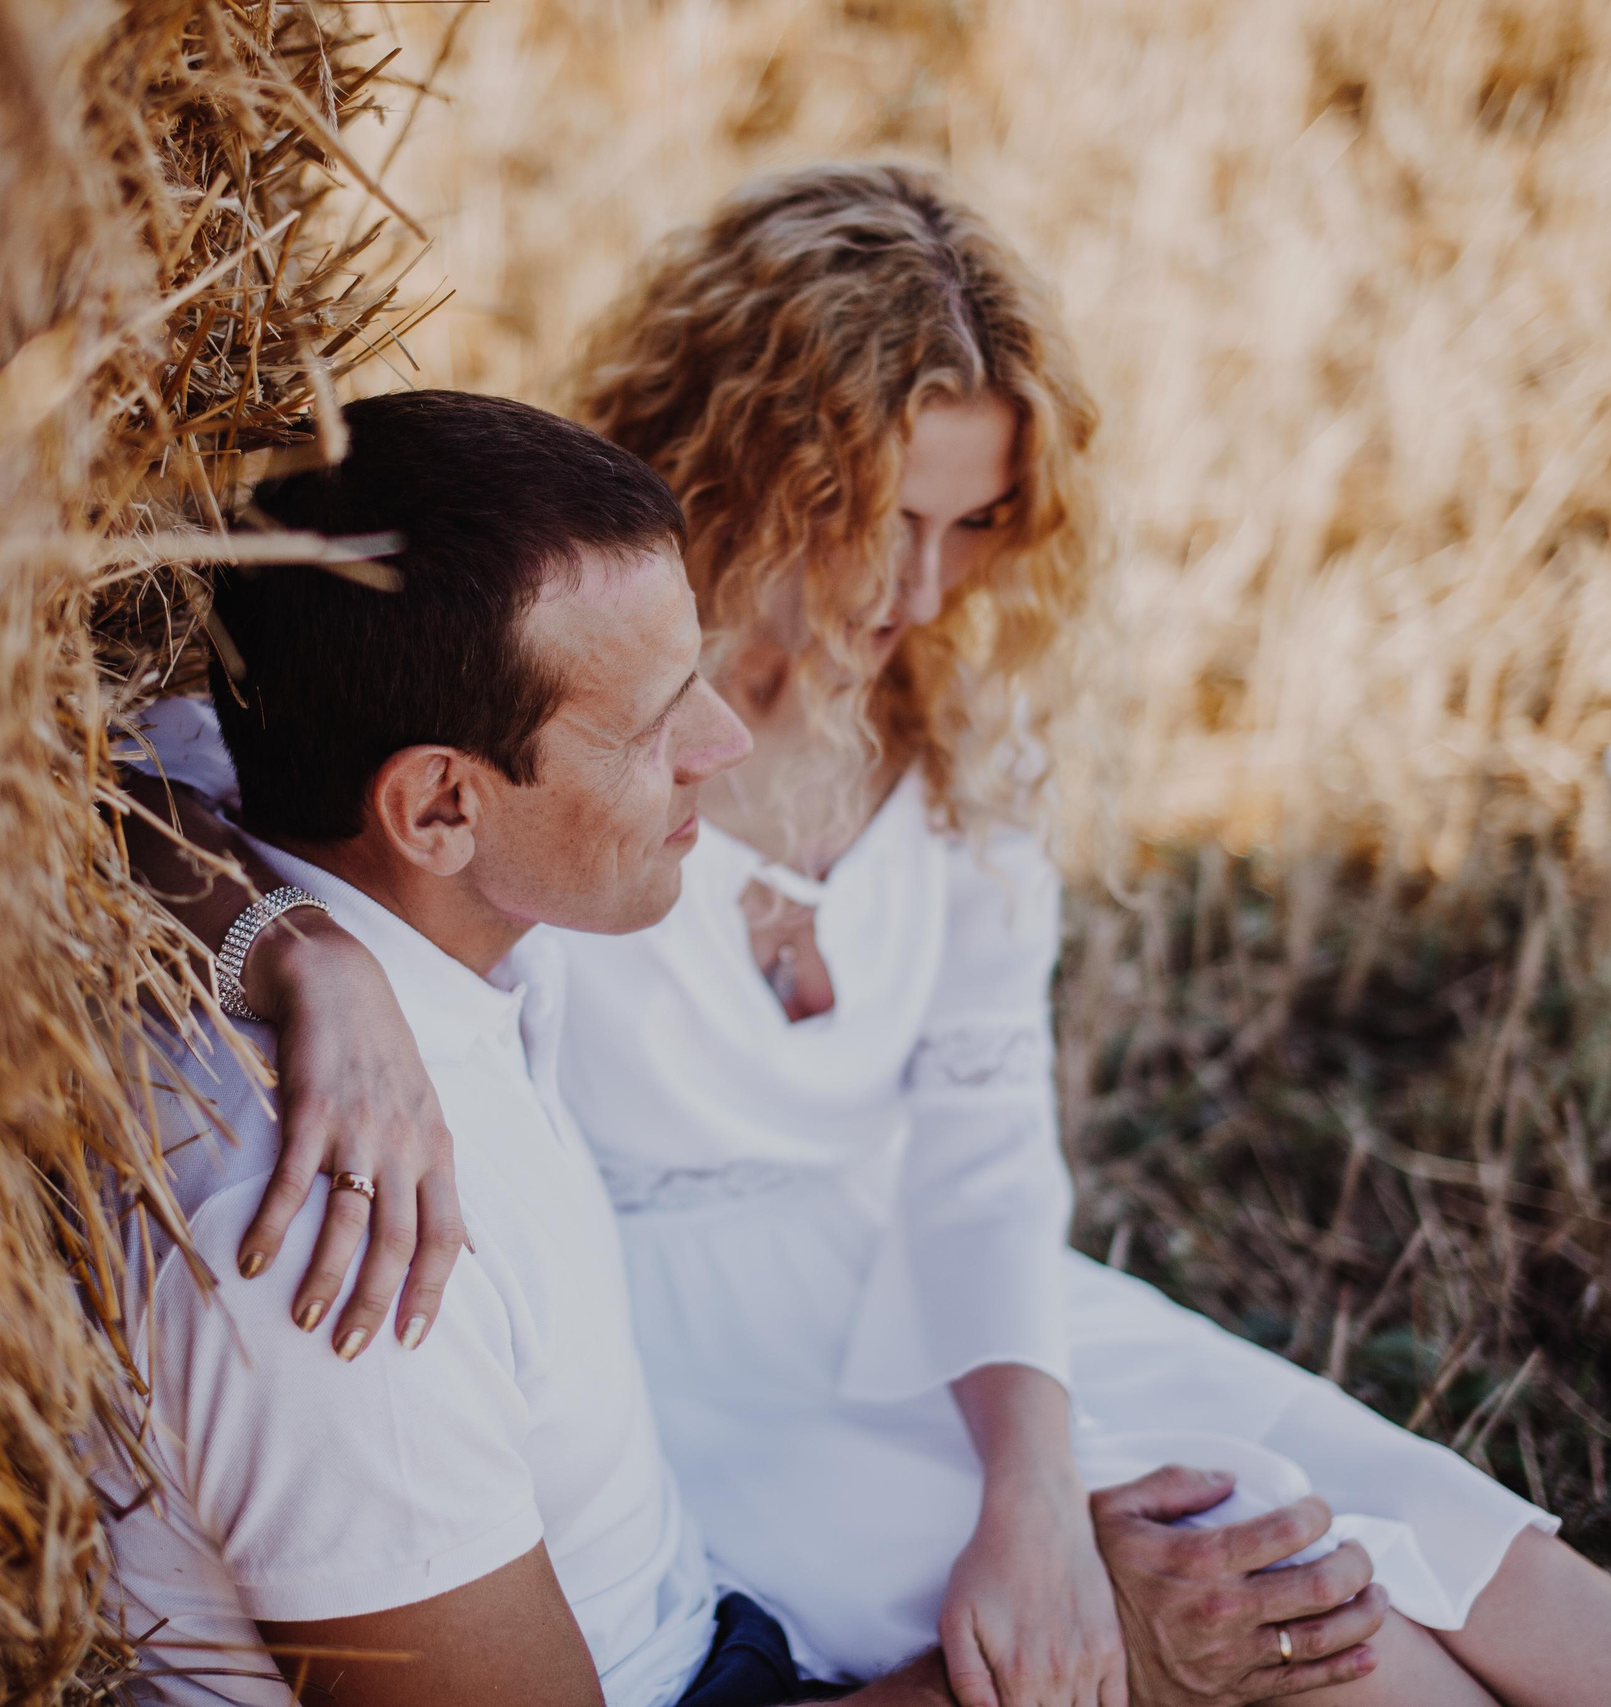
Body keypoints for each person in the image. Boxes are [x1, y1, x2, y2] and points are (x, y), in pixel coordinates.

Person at [145, 170, 1611, 1707]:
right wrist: (302, 948)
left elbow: (984, 1136)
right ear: (753, 452)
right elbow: (149, 787)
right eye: (874, 514)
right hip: (684, 1350)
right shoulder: (544, 664)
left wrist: (1029, 1471)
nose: (917, 586)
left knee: (1474, 1549)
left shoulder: (949, 732)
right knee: (1310, 1615)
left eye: (978, 523)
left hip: (933, 1278)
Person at [98, 390, 1385, 1707]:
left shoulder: (393, 899)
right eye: (658, 724)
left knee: (1346, 1592)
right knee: (1316, 1645)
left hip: (714, 1618)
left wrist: (294, 943)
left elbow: (76, 775)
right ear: (437, 804)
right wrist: (1096, 1677)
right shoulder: (344, 1259)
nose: (724, 741)